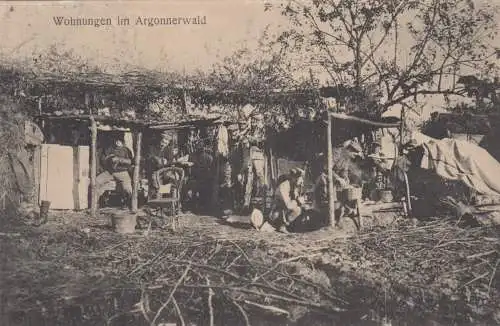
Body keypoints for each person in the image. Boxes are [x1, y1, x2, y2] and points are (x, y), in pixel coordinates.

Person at [312, 140, 364, 227]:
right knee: (326, 196)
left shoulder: (347, 158)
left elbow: (344, 171)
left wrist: (346, 179)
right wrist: (338, 178)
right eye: (354, 154)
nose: (354, 157)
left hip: (333, 177)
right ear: (349, 150)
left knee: (342, 193)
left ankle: (340, 215)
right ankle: (323, 217)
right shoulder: (336, 152)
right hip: (322, 175)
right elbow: (327, 168)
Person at [251, 168, 306, 233]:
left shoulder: (294, 186)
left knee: (300, 210)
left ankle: (287, 226)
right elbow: (288, 205)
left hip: (284, 213)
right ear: (293, 178)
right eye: (300, 178)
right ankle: (280, 226)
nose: (301, 181)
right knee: (297, 210)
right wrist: (298, 201)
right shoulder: (284, 186)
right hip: (277, 213)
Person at [96, 138, 134, 209]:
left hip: (122, 172)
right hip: (110, 171)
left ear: (122, 142)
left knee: (128, 188)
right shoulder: (109, 149)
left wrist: (119, 160)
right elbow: (103, 160)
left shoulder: (126, 150)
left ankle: (127, 203)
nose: (117, 142)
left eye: (119, 141)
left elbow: (130, 162)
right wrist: (109, 159)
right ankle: (95, 203)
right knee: (97, 181)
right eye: (116, 141)